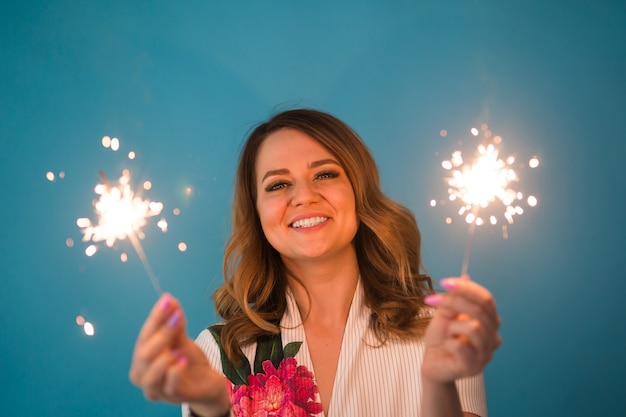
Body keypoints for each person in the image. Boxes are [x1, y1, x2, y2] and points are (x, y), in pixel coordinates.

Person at [129, 109, 502, 417]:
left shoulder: (441, 333)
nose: (304, 196)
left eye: (325, 174)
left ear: (359, 192)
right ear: (257, 214)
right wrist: (212, 408)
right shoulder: (219, 352)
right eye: (277, 185)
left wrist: (439, 382)